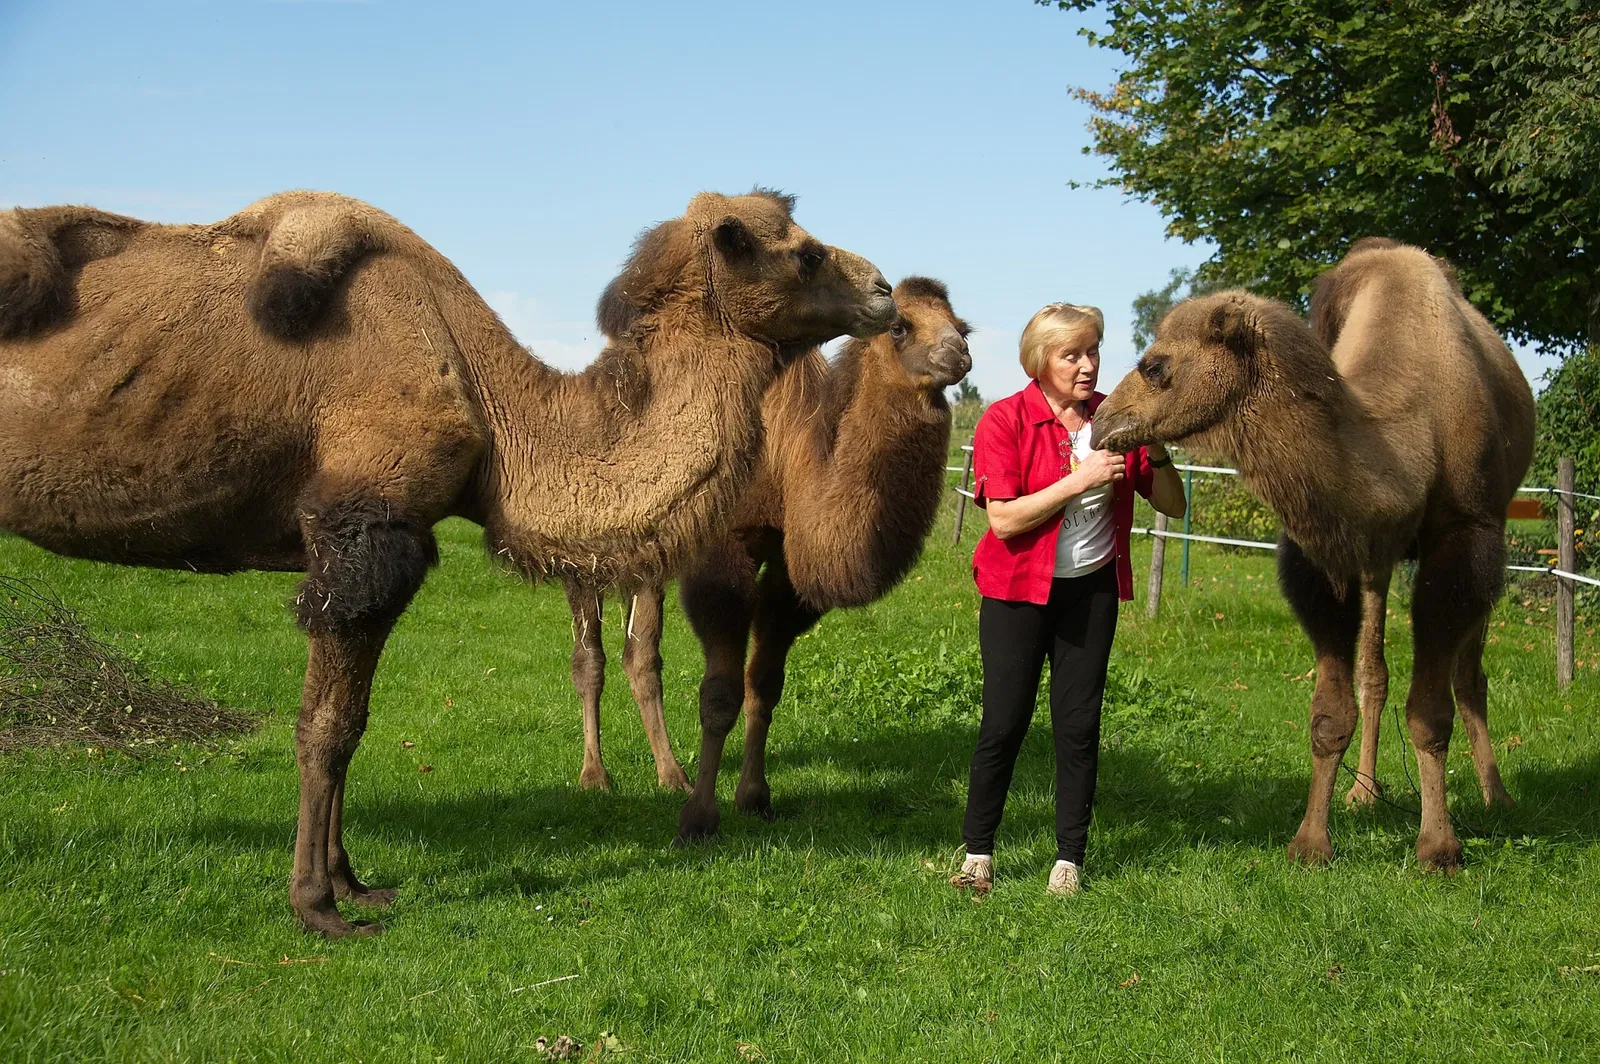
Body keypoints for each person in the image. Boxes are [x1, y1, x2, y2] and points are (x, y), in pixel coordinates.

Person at [951, 302, 1187, 896]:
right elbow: (1004, 522)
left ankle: (1069, 860)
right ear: (1040, 361)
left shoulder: (1117, 418)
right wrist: (1078, 481)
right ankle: (978, 851)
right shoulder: (1005, 420)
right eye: (1071, 354)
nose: (1087, 365)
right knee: (1003, 724)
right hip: (1016, 593)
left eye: (1094, 351)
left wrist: (1154, 447)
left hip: (1091, 591)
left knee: (1078, 727)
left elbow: (1173, 505)